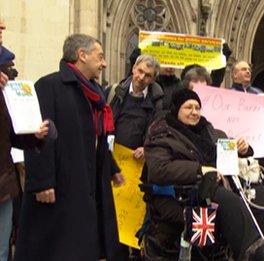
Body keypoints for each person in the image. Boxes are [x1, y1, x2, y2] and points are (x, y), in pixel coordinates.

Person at [14, 34, 124, 261]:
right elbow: (39, 136)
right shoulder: (49, 86)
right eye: (100, 57)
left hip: (86, 184)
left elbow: (95, 137)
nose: (104, 63)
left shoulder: (95, 94)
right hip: (59, 187)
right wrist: (42, 181)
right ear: (81, 56)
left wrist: (111, 167)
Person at [143, 88, 264, 260]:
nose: (194, 112)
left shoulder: (209, 131)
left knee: (263, 197)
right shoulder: (162, 135)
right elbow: (159, 169)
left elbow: (224, 153)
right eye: (188, 107)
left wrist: (242, 149)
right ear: (176, 109)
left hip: (214, 188)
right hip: (180, 195)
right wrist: (199, 170)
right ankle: (256, 256)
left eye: (197, 107)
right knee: (229, 201)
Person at [0, 20, 50, 261]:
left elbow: (9, 135)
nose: (3, 29)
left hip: (3, 183)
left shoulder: (5, 88)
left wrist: (33, 135)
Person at [106, 54, 164, 259]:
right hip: (114, 162)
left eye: (148, 75)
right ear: (133, 69)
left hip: (139, 167)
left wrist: (146, 148)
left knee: (135, 215)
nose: (142, 77)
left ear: (153, 79)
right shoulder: (114, 92)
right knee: (113, 214)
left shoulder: (158, 101)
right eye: (140, 71)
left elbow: (158, 131)